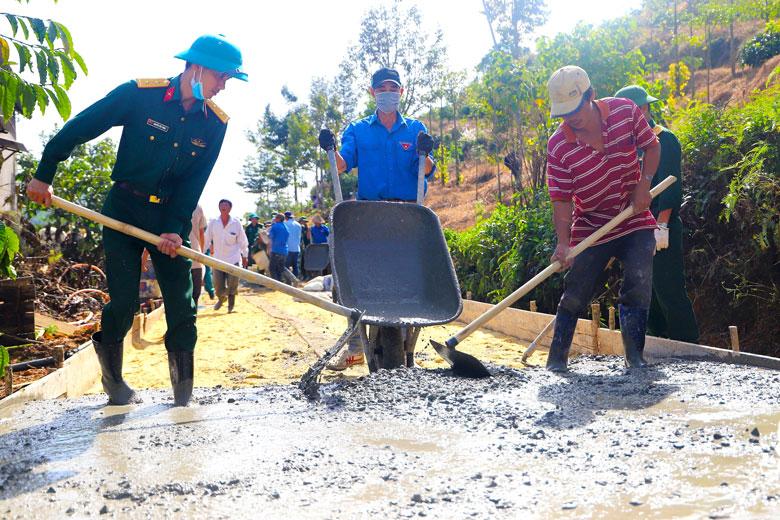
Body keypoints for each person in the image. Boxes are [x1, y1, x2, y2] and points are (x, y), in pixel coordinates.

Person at [26, 33, 247, 407]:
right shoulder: (139, 94)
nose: (224, 85)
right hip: (124, 210)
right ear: (196, 66)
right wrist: (45, 171)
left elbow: (196, 180)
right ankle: (114, 383)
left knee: (181, 303)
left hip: (169, 217)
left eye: (228, 79)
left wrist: (176, 229)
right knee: (125, 301)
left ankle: (182, 396)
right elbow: (83, 126)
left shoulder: (215, 123)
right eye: (221, 76)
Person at [317, 66, 435, 370]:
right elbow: (343, 164)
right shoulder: (358, 129)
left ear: (401, 92)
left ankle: (408, 344)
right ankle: (355, 344)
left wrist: (427, 152)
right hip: (371, 215)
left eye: (393, 88)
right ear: (372, 93)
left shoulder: (415, 129)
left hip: (408, 214)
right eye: (381, 88)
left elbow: (427, 168)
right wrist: (330, 150)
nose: (388, 93)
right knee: (356, 279)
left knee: (410, 279)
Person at [544, 65, 660, 372]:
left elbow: (652, 146)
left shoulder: (625, 112)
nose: (570, 119)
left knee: (638, 278)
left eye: (575, 110)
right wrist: (564, 243)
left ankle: (634, 356)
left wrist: (644, 184)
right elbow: (561, 199)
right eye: (564, 114)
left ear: (591, 96)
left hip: (632, 215)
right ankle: (556, 360)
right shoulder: (558, 146)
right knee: (576, 289)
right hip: (591, 222)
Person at [614, 85, 700, 343]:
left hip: (660, 227)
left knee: (668, 287)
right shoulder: (629, 148)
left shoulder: (665, 140)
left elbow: (669, 185)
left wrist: (661, 227)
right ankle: (659, 341)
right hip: (636, 229)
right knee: (644, 288)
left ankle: (686, 344)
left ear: (642, 110)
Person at [205, 199, 249, 313]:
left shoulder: (236, 223)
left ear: (230, 208)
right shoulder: (213, 222)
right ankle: (221, 298)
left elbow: (243, 241)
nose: (223, 207)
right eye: (221, 205)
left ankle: (231, 306)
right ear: (219, 208)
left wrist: (245, 255)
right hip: (218, 259)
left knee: (232, 285)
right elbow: (206, 239)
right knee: (218, 286)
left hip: (233, 259)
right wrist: (201, 253)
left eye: (226, 205)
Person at [189, 204, 207, 307]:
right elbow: (201, 234)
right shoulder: (198, 207)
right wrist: (201, 253)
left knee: (180, 293)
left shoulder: (169, 200)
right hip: (195, 254)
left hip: (176, 254)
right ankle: (191, 320)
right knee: (195, 294)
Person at [267, 213, 289, 282]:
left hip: (276, 250)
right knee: (280, 269)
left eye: (276, 218)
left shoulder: (275, 226)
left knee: (272, 268)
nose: (275, 219)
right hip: (284, 251)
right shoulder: (286, 227)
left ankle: (275, 284)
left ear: (279, 219)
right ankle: (282, 283)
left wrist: (269, 249)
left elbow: (270, 238)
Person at [283, 210, 302, 277]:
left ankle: (288, 281)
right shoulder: (298, 225)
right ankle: (296, 279)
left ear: (285, 217)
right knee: (295, 266)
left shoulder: (285, 224)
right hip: (296, 248)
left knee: (286, 266)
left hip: (288, 248)